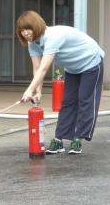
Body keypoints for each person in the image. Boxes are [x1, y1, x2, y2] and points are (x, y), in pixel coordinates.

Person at [17, 11, 104, 155]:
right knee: (68, 101)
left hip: (91, 61)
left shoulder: (52, 37)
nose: (25, 33)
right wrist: (37, 91)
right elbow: (37, 68)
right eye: (22, 30)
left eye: (28, 28)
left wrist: (29, 90)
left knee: (84, 99)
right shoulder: (32, 43)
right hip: (73, 67)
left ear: (36, 25)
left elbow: (44, 68)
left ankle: (78, 139)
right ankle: (59, 140)